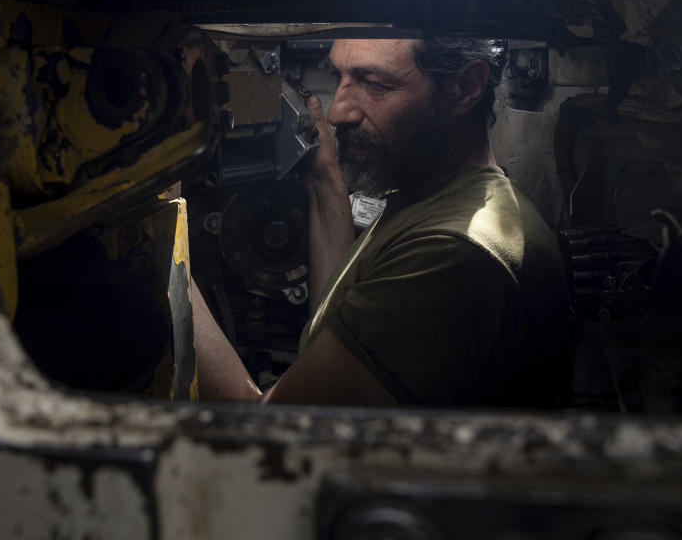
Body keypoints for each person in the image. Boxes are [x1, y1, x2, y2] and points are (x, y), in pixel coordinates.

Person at [192, 38, 570, 407]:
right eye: (338, 75)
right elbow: (337, 312)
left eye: (374, 84)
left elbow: (270, 431)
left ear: (465, 87)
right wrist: (326, 181)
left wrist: (161, 233)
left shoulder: (452, 257)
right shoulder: (438, 197)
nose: (338, 111)